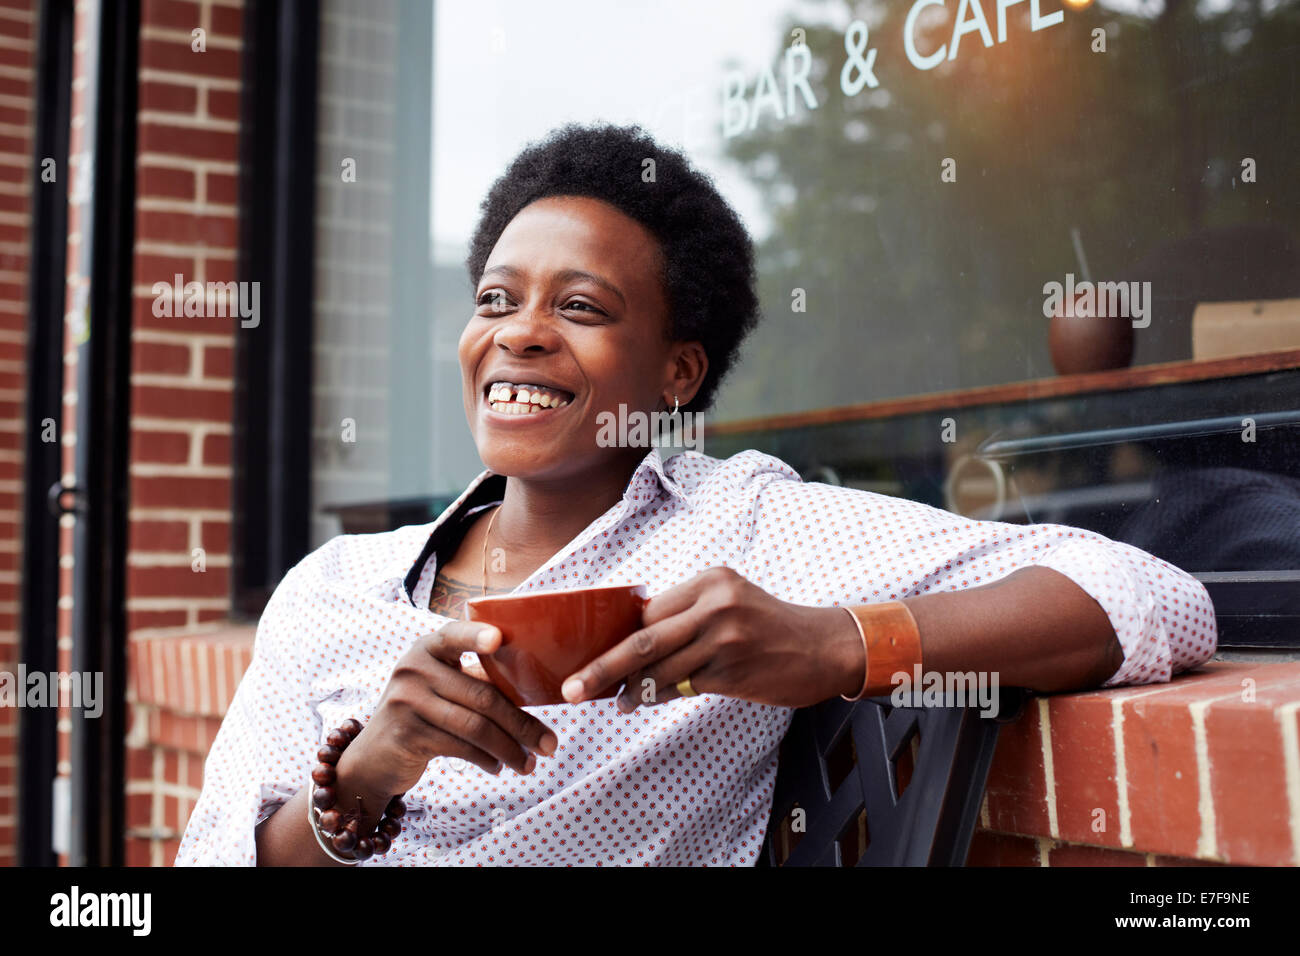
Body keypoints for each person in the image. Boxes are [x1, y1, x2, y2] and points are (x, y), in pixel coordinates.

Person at [175, 122, 1216, 866]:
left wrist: (831, 644)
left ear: (676, 373)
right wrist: (366, 772)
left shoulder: (743, 529)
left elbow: (1144, 594)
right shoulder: (334, 588)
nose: (520, 330)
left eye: (580, 306)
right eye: (496, 297)